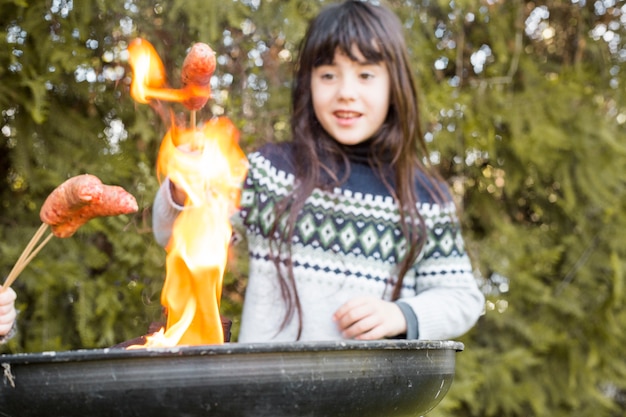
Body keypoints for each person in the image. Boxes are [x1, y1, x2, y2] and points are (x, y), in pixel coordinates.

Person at [152, 0, 484, 342]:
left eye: (366, 75)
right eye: (328, 75)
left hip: (372, 395)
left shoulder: (424, 197)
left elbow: (461, 298)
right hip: (272, 392)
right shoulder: (269, 175)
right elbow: (176, 236)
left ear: (394, 85)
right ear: (308, 83)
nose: (346, 93)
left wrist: (401, 314)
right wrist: (185, 189)